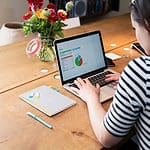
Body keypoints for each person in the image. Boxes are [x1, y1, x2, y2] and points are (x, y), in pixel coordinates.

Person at [72, 0, 150, 149]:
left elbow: (105, 137)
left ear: (146, 24)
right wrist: (132, 85)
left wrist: (91, 98)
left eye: (135, 28)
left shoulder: (141, 71)